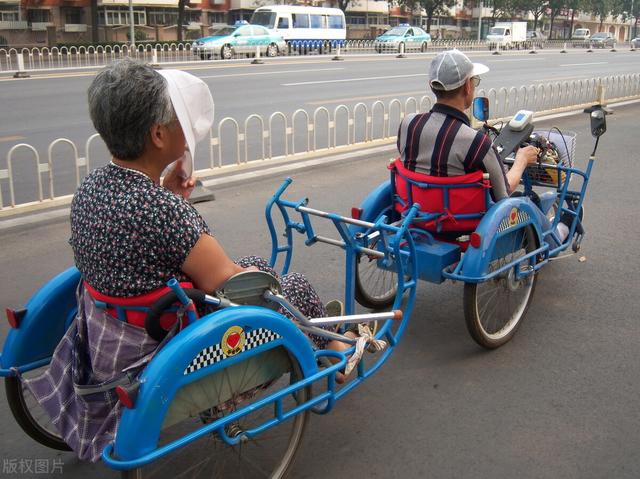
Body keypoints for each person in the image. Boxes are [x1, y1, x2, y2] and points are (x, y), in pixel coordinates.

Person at [24, 59, 357, 463]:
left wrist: (170, 196)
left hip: (114, 328)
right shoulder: (164, 212)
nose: (188, 129)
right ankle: (337, 349)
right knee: (292, 287)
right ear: (158, 134)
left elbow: (142, 246)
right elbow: (229, 282)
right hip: (167, 341)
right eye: (179, 119)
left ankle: (328, 338)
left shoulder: (91, 189)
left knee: (258, 264)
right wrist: (177, 208)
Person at [397, 48, 539, 202]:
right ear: (467, 86)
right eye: (474, 80)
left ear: (432, 86)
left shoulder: (408, 124)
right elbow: (503, 193)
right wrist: (521, 160)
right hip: (460, 223)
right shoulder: (476, 142)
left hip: (413, 212)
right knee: (532, 202)